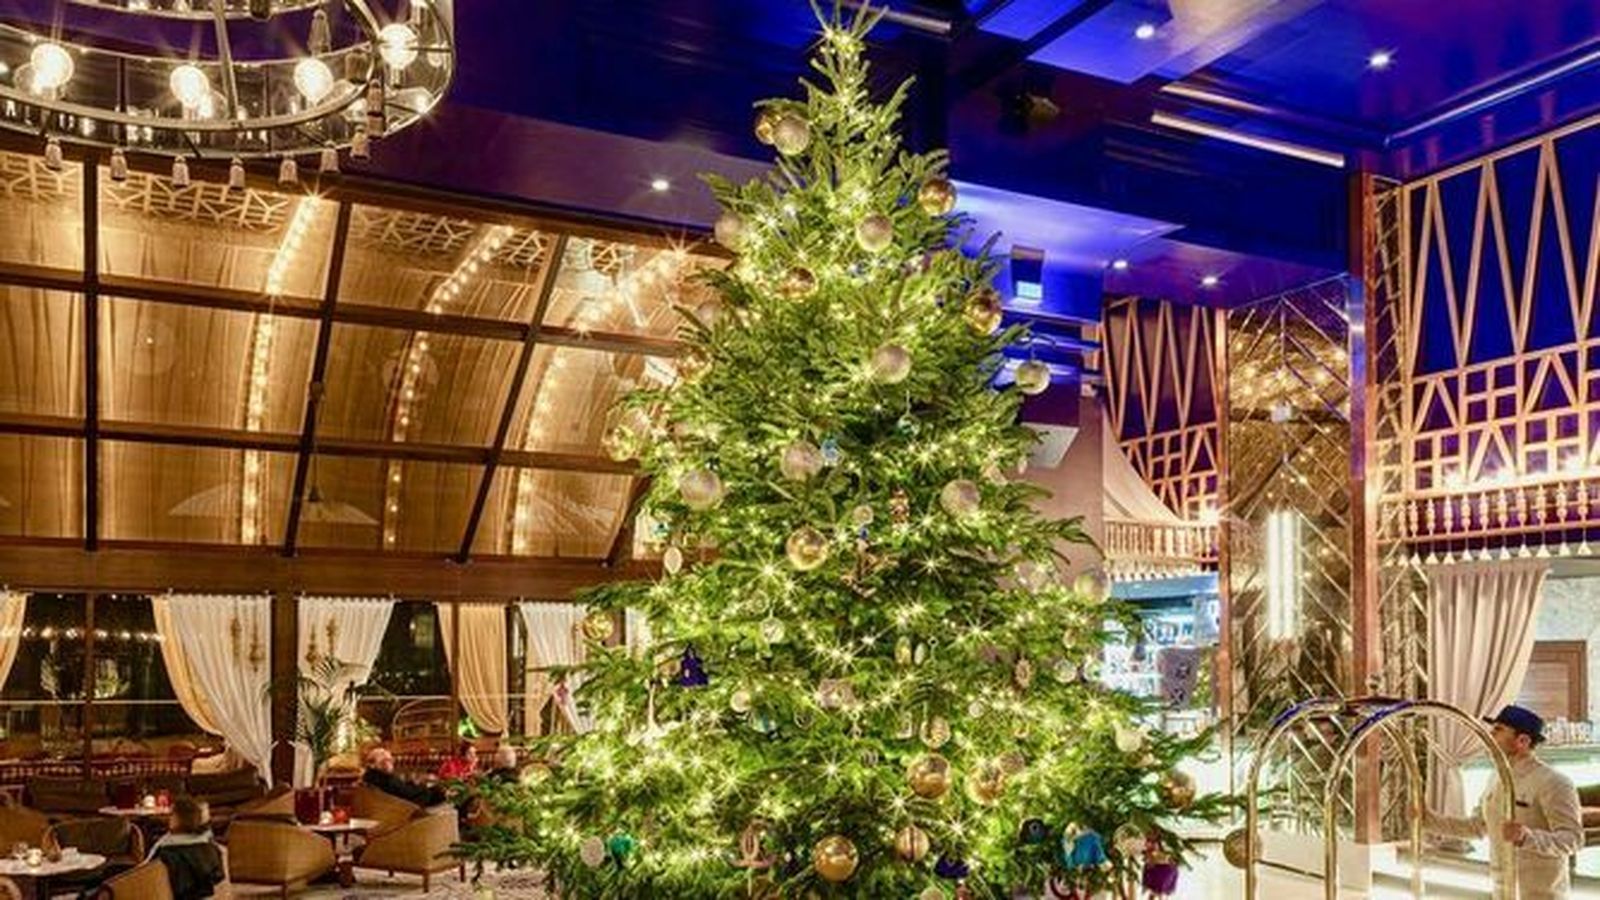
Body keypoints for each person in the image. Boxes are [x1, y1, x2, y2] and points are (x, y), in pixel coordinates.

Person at [1426, 705, 1583, 900]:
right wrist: (1429, 821)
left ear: (1523, 741)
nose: (1489, 735)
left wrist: (1528, 837)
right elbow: (1477, 827)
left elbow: (1572, 840)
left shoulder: (1553, 782)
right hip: (1502, 889)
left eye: (1498, 730)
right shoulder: (1496, 778)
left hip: (1541, 894)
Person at [146, 796, 226, 900]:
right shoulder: (211, 846)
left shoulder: (166, 851)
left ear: (178, 819)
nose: (169, 818)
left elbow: (147, 872)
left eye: (172, 815)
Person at [362, 747, 445, 807]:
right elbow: (406, 792)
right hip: (405, 806)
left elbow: (400, 788)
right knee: (438, 791)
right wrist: (421, 785)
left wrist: (413, 783)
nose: (390, 764)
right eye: (385, 761)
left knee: (436, 790)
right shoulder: (383, 778)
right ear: (373, 764)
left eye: (390, 760)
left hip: (398, 801)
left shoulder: (371, 776)